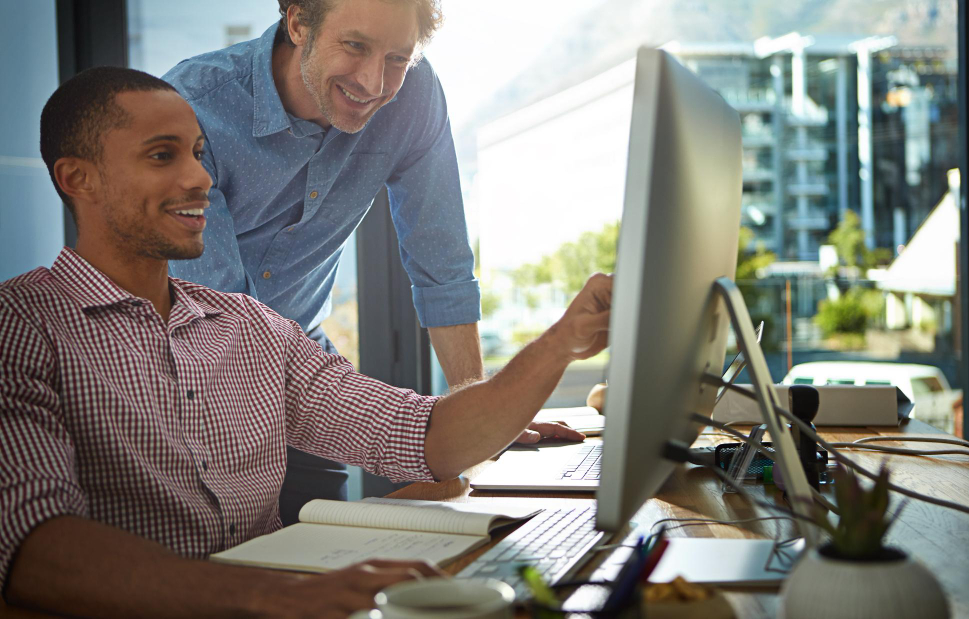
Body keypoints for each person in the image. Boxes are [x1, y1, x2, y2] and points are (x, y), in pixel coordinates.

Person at [0, 67, 611, 617]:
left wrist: (562, 341)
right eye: (163, 156)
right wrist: (275, 595)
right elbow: (36, 548)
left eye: (198, 153)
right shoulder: (21, 326)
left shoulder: (253, 328)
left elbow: (428, 438)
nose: (200, 178)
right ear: (78, 179)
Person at [162, 0, 549, 515]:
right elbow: (221, 319)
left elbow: (440, 262)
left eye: (397, 57)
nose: (374, 83)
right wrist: (437, 436)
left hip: (299, 372)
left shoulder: (413, 94)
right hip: (189, 389)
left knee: (323, 565)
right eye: (355, 46)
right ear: (298, 23)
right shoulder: (196, 108)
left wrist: (480, 418)